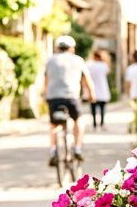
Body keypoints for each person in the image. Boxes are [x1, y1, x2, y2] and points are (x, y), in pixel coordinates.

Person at [45, 35, 95, 165]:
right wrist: (92, 95)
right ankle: (77, 148)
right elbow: (86, 80)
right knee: (78, 120)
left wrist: (46, 95)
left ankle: (53, 150)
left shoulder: (50, 61)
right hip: (71, 97)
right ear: (72, 48)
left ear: (57, 48)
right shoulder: (78, 60)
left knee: (53, 124)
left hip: (53, 98)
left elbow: (46, 80)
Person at [87, 49, 111, 129]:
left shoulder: (90, 64)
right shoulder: (104, 65)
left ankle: (94, 123)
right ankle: (102, 123)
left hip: (92, 88)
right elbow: (107, 72)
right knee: (102, 108)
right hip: (102, 88)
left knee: (93, 107)